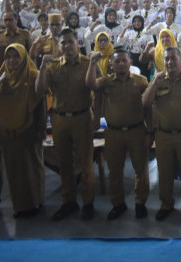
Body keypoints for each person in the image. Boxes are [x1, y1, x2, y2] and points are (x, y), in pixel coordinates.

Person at [35, 28, 95, 221]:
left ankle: (88, 203)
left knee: (85, 162)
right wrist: (42, 67)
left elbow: (96, 89)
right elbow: (40, 90)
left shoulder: (87, 63)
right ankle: (68, 202)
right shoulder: (52, 66)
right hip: (59, 119)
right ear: (59, 46)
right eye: (63, 43)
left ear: (77, 43)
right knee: (65, 164)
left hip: (82, 117)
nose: (67, 46)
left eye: (70, 42)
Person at [86, 48, 151, 220]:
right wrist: (92, 63)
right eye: (117, 61)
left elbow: (149, 108)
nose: (121, 64)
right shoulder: (106, 81)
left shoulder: (141, 81)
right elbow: (91, 84)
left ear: (130, 63)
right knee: (114, 171)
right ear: (112, 65)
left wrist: (149, 132)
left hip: (137, 130)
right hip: (113, 132)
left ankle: (140, 203)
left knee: (141, 170)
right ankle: (118, 204)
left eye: (124, 60)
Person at [142, 46, 181, 221]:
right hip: (163, 134)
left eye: (173, 58)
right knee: (165, 171)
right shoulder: (158, 80)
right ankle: (166, 203)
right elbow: (145, 103)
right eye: (166, 59)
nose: (169, 62)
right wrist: (154, 82)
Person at [0, 43, 45, 218]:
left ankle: (36, 202)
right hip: (8, 132)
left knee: (31, 167)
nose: (12, 61)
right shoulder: (3, 77)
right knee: (14, 170)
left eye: (16, 57)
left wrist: (41, 129)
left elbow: (41, 103)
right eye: (8, 57)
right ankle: (21, 206)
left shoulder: (32, 75)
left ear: (24, 57)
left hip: (29, 130)